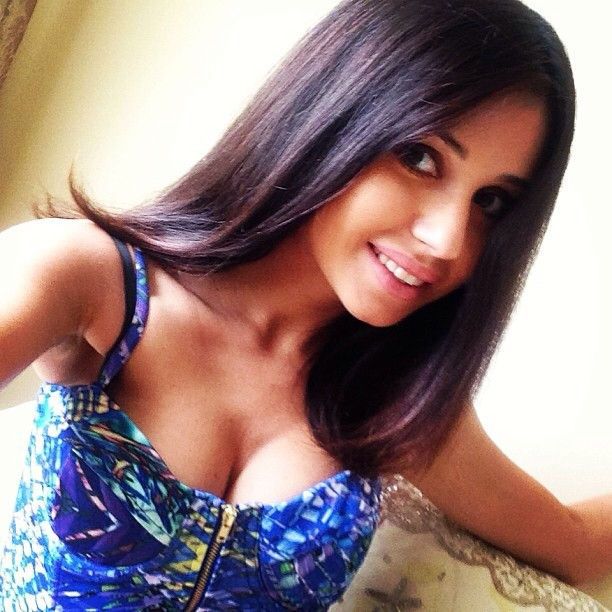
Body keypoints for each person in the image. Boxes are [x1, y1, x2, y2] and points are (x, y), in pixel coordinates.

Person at [0, 0, 610, 609]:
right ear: (334, 116)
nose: (448, 240)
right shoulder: (86, 278)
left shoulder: (399, 403)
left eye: (491, 201)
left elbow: (576, 543)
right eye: (421, 158)